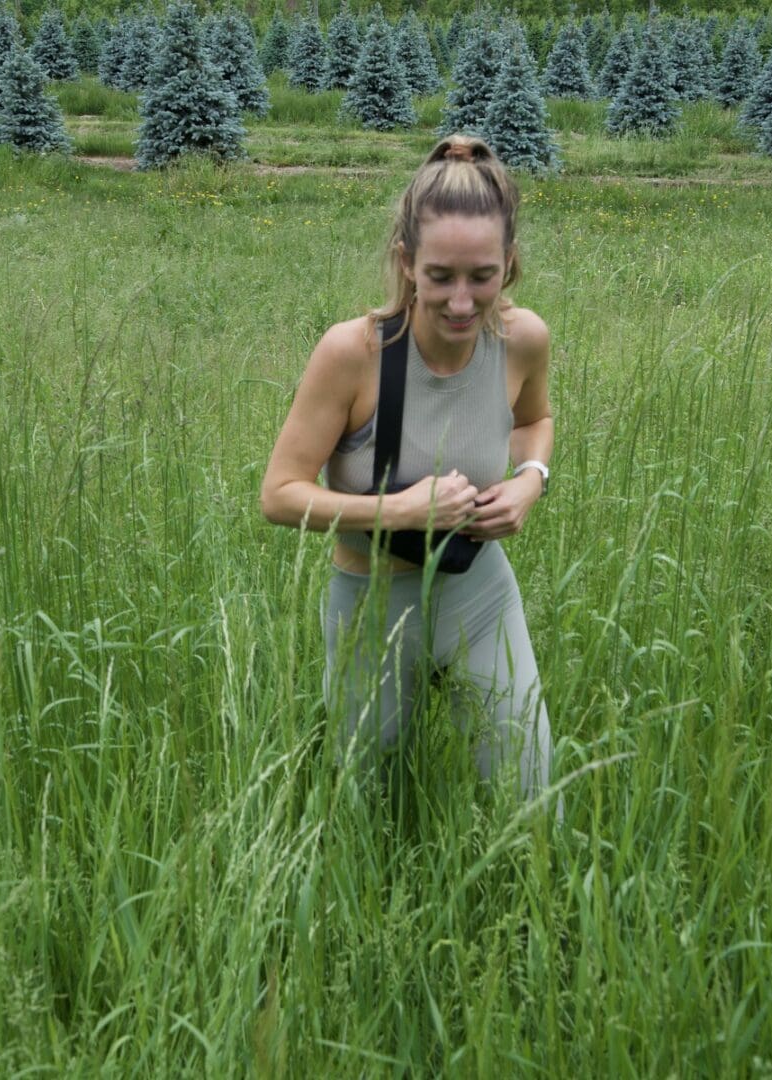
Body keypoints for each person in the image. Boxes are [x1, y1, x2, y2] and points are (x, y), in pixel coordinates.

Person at [260, 134, 557, 815]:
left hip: (479, 596)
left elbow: (534, 421)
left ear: (509, 266)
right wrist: (395, 511)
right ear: (406, 263)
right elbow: (278, 496)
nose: (460, 301)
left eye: (482, 276)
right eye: (440, 276)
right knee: (364, 805)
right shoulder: (354, 353)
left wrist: (530, 479)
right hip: (371, 607)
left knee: (534, 795)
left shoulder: (523, 339)